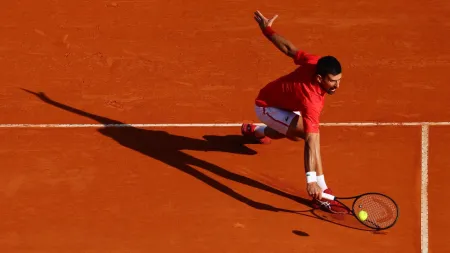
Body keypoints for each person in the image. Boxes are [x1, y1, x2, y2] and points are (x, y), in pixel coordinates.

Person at [241, 11, 347, 213]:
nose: (337, 86)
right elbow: (312, 142)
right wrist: (312, 182)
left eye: (339, 80)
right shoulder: (311, 101)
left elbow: (289, 49)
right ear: (319, 79)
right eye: (332, 81)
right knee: (305, 135)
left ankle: (255, 131)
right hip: (266, 107)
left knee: (298, 133)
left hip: (282, 104)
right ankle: (322, 194)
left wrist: (267, 30)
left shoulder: (315, 62)